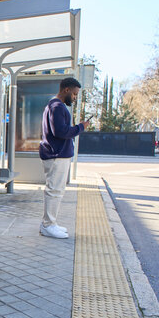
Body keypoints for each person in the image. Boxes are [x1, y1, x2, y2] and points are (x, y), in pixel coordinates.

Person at [39, 77, 90, 239]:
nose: (74, 98)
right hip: (57, 154)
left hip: (57, 154)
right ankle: (48, 225)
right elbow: (60, 132)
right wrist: (80, 127)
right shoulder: (57, 107)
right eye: (74, 94)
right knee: (54, 190)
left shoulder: (53, 105)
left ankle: (50, 223)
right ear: (66, 90)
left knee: (56, 190)